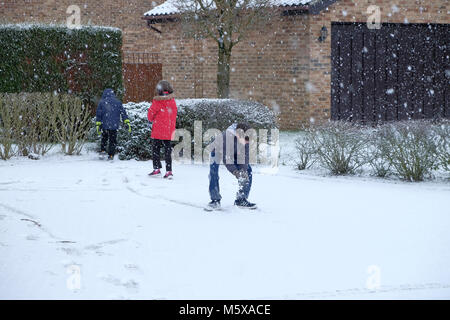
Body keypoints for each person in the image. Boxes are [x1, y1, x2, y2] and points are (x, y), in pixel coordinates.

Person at [207, 122, 257, 210]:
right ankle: (215, 200)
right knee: (213, 172)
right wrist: (235, 172)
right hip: (217, 151)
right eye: (245, 139)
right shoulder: (227, 137)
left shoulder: (246, 137)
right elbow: (227, 159)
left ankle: (241, 199)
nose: (246, 142)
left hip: (235, 152)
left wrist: (243, 170)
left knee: (248, 170)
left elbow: (244, 156)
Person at [147, 80, 177, 179]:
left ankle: (157, 169)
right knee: (168, 151)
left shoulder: (157, 101)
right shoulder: (172, 101)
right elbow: (174, 115)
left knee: (156, 149)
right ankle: (169, 171)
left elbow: (150, 115)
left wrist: (151, 118)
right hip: (169, 130)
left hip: (158, 130)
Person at [96, 88, 131, 160]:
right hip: (114, 125)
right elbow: (123, 113)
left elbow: (99, 114)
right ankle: (111, 155)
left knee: (104, 138)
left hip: (104, 125)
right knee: (112, 140)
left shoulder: (102, 102)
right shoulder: (118, 102)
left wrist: (98, 124)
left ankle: (102, 151)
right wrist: (126, 121)